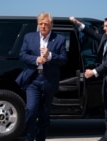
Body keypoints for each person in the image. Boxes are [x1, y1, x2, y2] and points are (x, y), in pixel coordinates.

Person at [70, 16, 107, 141]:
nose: (103, 28)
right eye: (104, 25)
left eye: (106, 26)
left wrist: (94, 72)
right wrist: (78, 24)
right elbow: (93, 34)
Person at [16, 12, 67, 141]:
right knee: (31, 110)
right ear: (37, 24)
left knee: (44, 115)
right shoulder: (29, 37)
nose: (43, 26)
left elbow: (63, 59)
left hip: (49, 80)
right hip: (33, 80)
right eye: (40, 23)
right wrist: (36, 59)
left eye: (46, 24)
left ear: (51, 25)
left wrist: (50, 56)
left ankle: (40, 139)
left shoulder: (59, 39)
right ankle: (29, 138)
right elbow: (22, 55)